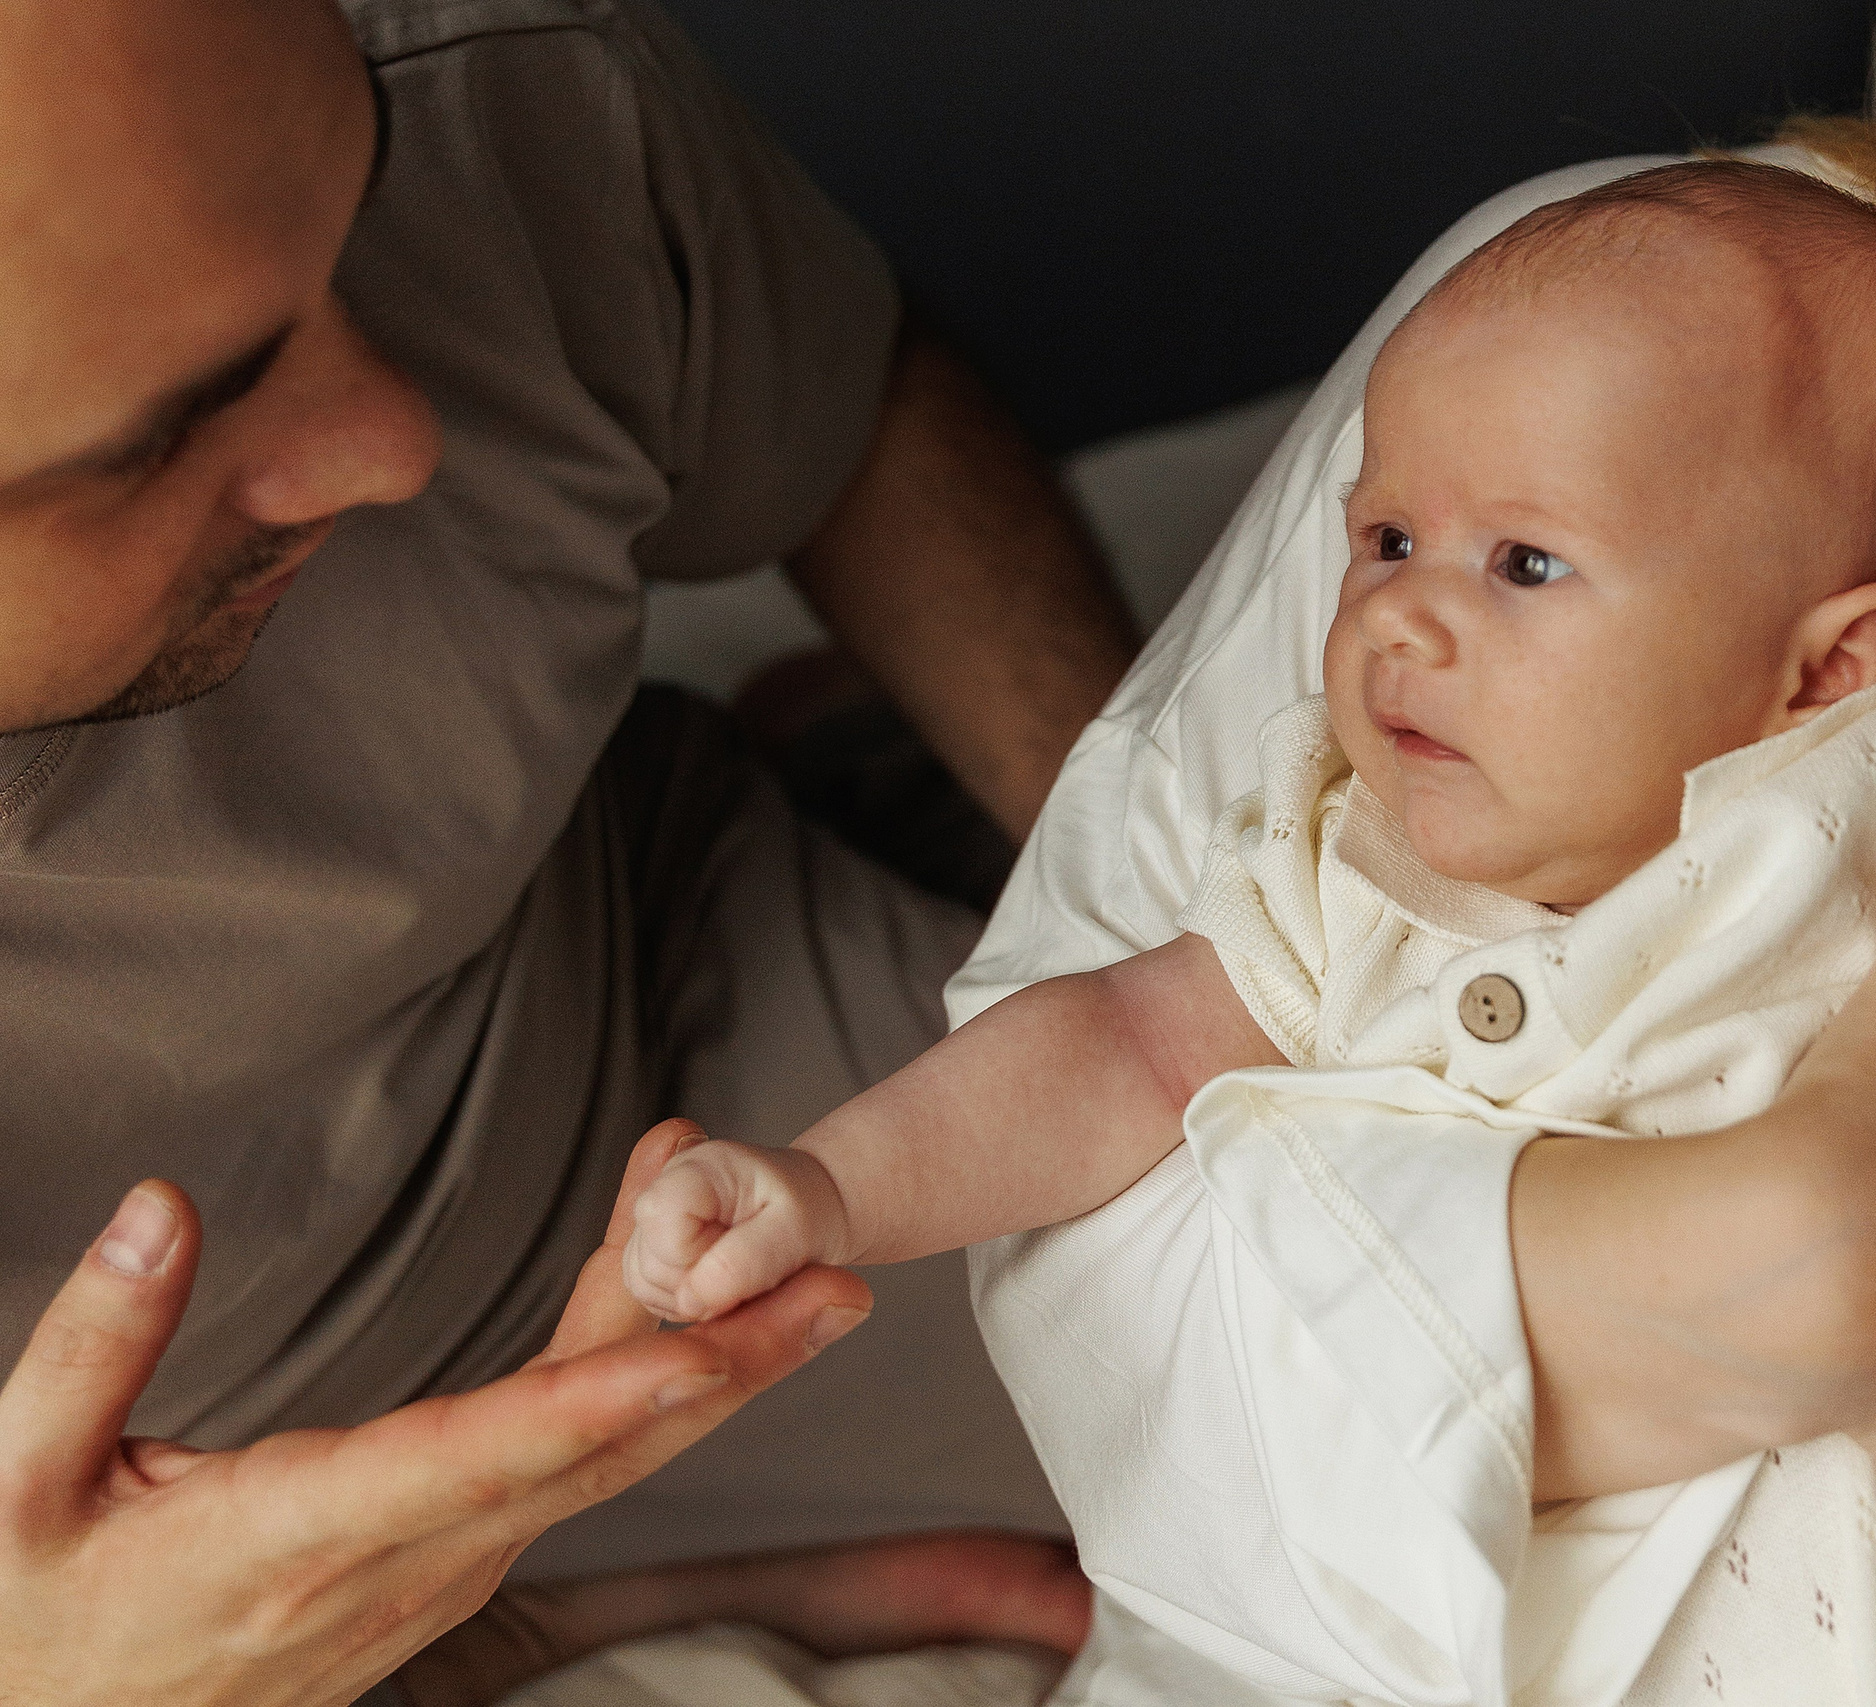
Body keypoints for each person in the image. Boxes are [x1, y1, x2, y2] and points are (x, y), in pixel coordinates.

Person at [624, 159, 1876, 1707]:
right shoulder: (1349, 852)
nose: (1401, 624)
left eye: (1525, 565)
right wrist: (832, 1185)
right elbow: (1110, 1039)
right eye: (1386, 537)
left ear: (1832, 667)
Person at [0, 0, 1134, 1699]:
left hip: (640, 1057)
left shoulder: (476, 83)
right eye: (171, 426)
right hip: (93, 1546)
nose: (394, 441)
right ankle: (537, 1617)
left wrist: (1178, 900)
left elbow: (839, 408)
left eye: (351, 231)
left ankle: (864, 776)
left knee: (1449, 1384)